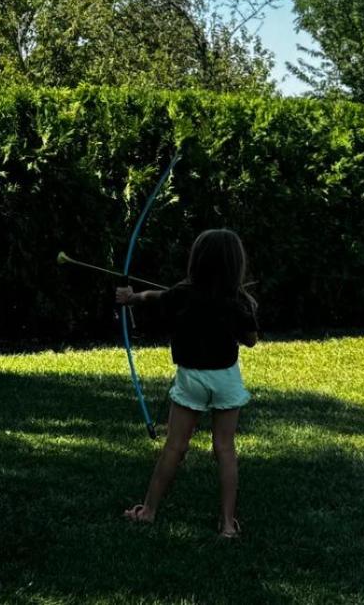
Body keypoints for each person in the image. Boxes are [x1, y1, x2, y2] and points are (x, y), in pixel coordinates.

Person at [115, 228, 259, 539]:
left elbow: (157, 298)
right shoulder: (237, 301)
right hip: (225, 379)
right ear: (236, 265)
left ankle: (148, 511)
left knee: (175, 446)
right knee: (225, 448)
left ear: (197, 260)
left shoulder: (183, 294)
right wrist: (245, 312)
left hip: (191, 378)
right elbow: (251, 341)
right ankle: (227, 525)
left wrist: (131, 298)